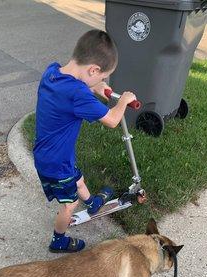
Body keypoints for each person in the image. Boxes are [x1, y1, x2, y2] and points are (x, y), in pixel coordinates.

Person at [33, 29, 136, 253]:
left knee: (77, 178)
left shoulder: (52, 72)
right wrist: (124, 101)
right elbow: (111, 120)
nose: (102, 81)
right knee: (69, 205)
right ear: (93, 69)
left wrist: (94, 86)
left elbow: (75, 89)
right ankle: (58, 240)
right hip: (56, 163)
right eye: (102, 76)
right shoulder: (78, 95)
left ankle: (92, 203)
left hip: (51, 153)